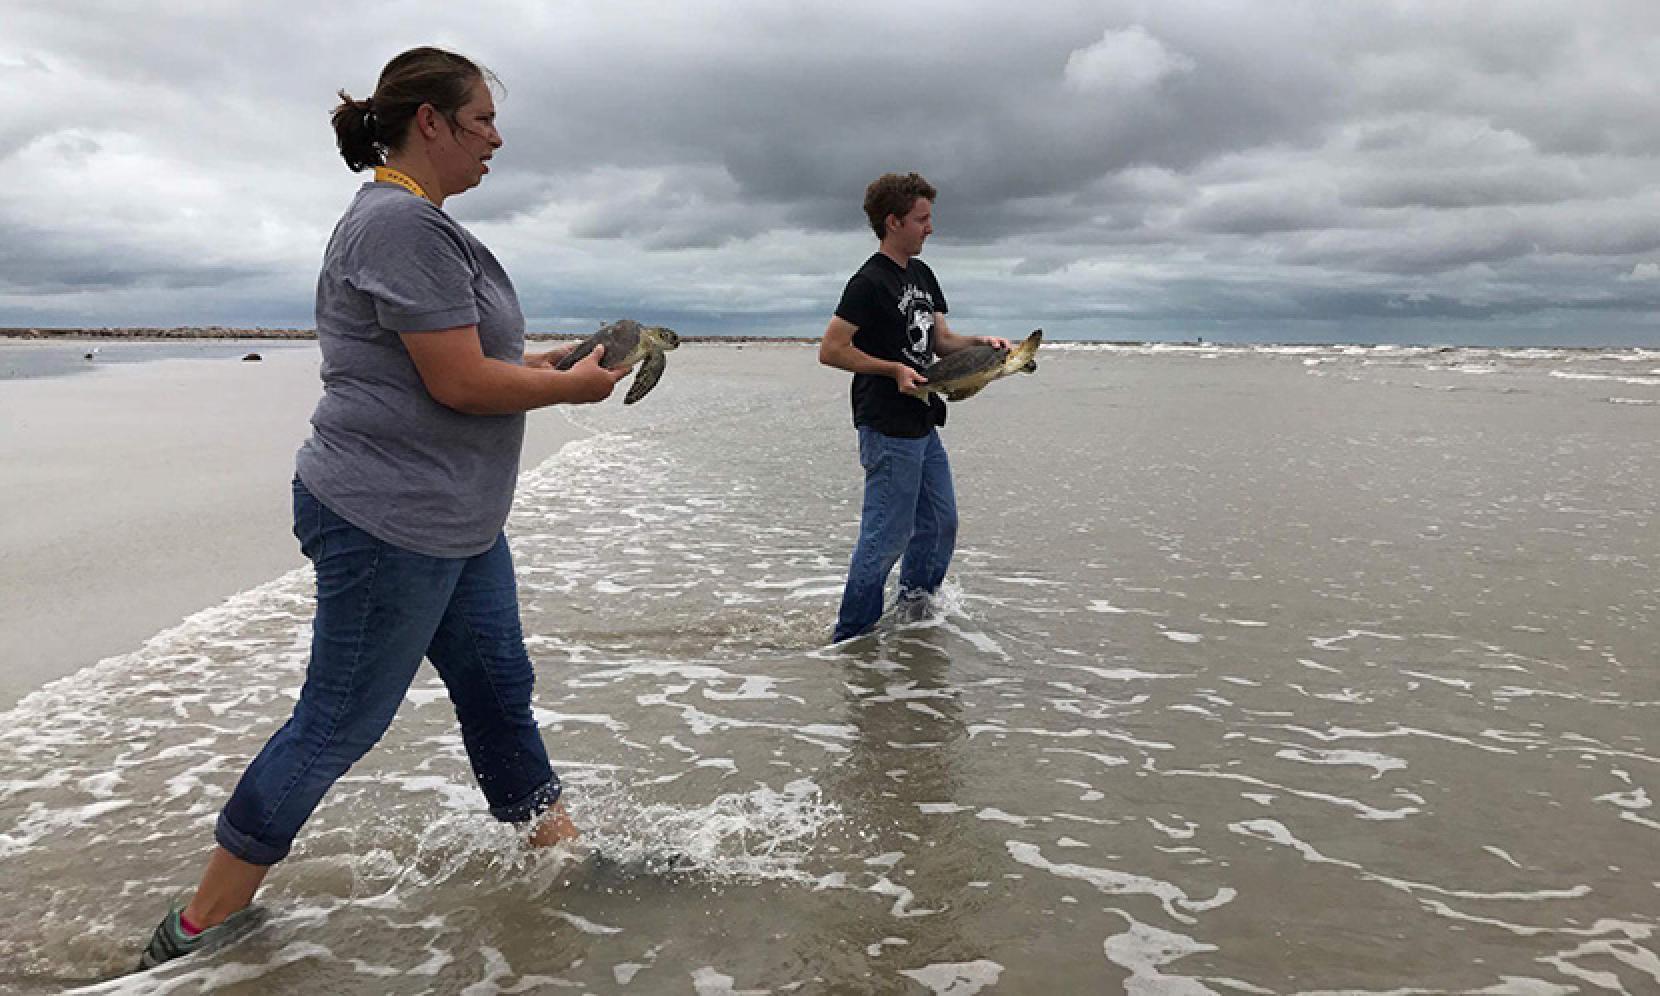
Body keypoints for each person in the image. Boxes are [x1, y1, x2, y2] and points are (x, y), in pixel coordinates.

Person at [137, 46, 630, 970]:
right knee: (338, 720)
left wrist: (546, 366)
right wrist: (574, 390)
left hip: (456, 521)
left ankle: (561, 860)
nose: (496, 139)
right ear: (430, 122)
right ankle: (198, 926)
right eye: (482, 120)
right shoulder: (400, 224)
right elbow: (457, 383)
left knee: (499, 693)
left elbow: (466, 361)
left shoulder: (419, 224)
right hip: (388, 517)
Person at [818, 172, 1010, 643]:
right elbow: (832, 349)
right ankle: (852, 636)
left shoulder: (922, 276)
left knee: (940, 524)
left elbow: (940, 341)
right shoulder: (868, 282)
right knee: (886, 535)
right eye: (922, 219)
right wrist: (892, 370)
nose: (930, 227)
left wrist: (981, 343)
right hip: (886, 423)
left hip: (923, 420)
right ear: (893, 222)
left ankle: (916, 614)